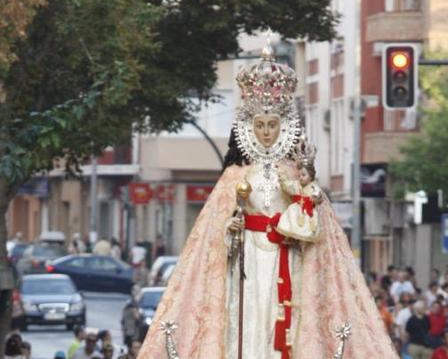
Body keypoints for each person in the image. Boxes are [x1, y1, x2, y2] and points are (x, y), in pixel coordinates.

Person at [136, 45, 394, 358]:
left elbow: (319, 231)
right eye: (259, 125)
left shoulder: (297, 175)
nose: (266, 132)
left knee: (282, 317)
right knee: (249, 316)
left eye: (273, 125)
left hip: (290, 259)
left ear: (284, 126)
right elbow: (210, 239)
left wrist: (305, 194)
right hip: (246, 263)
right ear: (248, 127)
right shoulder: (233, 177)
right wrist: (232, 230)